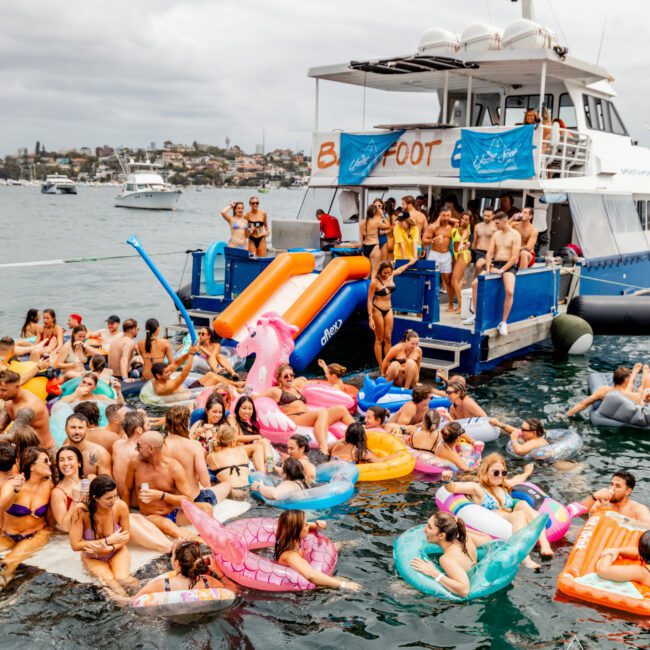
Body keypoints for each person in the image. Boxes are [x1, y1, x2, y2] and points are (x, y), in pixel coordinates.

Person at [446, 453, 553, 569]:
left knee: (523, 504)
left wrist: (527, 472)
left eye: (503, 472)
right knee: (519, 515)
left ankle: (545, 545)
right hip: (496, 519)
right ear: (485, 471)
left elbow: (518, 479)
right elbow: (454, 488)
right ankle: (525, 558)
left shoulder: (503, 485)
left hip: (510, 516)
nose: (500, 476)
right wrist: (447, 480)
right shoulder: (477, 488)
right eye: (496, 472)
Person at [120, 432, 213, 540]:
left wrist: (161, 495)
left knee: (207, 508)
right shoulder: (134, 463)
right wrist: (125, 518)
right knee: (167, 525)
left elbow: (188, 500)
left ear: (151, 449)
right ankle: (202, 543)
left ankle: (207, 539)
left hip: (174, 513)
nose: (136, 449)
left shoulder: (173, 468)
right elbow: (127, 490)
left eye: (139, 446)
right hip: (151, 516)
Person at [258, 364, 354, 455]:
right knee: (322, 412)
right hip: (295, 418)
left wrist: (322, 372)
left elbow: (302, 379)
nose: (289, 377)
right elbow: (258, 397)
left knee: (341, 409)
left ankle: (359, 431)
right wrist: (244, 391)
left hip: (307, 416)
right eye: (286, 376)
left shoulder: (295, 388)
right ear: (280, 379)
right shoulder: (276, 391)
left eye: (291, 375)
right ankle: (323, 447)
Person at [69, 475, 137, 597]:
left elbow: (126, 536)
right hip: (93, 557)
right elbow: (75, 545)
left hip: (117, 551)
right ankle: (127, 607)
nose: (113, 501)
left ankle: (145, 600)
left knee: (123, 579)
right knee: (110, 582)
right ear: (95, 498)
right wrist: (107, 540)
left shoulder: (120, 506)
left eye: (115, 496)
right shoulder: (82, 511)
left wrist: (110, 548)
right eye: (108, 498)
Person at [463, 211, 521, 337]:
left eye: (497, 223)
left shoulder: (515, 235)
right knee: (474, 284)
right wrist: (489, 267)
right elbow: (489, 253)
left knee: (509, 291)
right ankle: (477, 315)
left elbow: (515, 256)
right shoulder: (496, 234)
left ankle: (503, 322)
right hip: (496, 264)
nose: (495, 225)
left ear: (505, 221)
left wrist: (502, 270)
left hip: (509, 266)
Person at [0, 447, 52, 585]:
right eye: (46, 461)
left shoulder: (49, 485)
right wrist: (15, 491)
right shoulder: (14, 483)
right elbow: (1, 507)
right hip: (8, 535)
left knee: (9, 562)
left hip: (36, 534)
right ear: (33, 465)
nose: (50, 464)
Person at [273, 510, 361, 591]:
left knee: (341, 544)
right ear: (296, 530)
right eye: (306, 524)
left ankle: (358, 542)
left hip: (304, 566)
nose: (309, 524)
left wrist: (317, 524)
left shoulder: (287, 536)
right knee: (347, 582)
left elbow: (308, 526)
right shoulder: (291, 556)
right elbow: (311, 575)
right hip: (302, 589)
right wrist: (343, 584)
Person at [163, 406, 229, 506]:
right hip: (193, 501)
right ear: (187, 422)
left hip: (169, 500)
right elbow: (205, 482)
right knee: (227, 484)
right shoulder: (194, 446)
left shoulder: (159, 444)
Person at [410, 511, 488, 597]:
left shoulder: (446, 559)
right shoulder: (465, 538)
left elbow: (464, 590)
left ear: (441, 536)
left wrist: (433, 572)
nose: (424, 530)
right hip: (475, 577)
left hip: (460, 602)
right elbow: (487, 539)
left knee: (399, 587)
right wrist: (457, 527)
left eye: (429, 527)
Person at [134, 539, 225, 599]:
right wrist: (220, 573)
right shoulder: (207, 581)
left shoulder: (161, 585)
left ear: (177, 563)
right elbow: (233, 592)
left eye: (172, 556)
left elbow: (133, 601)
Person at [367, 260, 415, 367]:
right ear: (380, 271)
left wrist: (410, 263)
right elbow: (369, 300)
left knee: (388, 338)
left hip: (389, 309)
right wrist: (370, 317)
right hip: (377, 309)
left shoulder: (391, 275)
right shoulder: (375, 282)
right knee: (379, 339)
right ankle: (381, 365)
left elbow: (400, 270)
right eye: (385, 273)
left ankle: (387, 363)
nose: (387, 275)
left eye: (389, 272)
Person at [0, 370, 56, 451]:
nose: (0, 393)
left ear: (17, 387)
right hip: (27, 451)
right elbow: (1, 425)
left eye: (3, 390)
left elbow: (11, 437)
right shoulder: (9, 400)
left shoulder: (28, 408)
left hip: (44, 452)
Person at [566, 365, 645, 417]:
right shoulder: (632, 396)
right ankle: (643, 374)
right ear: (625, 380)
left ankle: (635, 372)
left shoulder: (604, 391)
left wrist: (566, 415)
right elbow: (643, 407)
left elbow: (583, 404)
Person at [409, 415, 480, 473]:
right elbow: (466, 469)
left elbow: (455, 432)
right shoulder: (452, 454)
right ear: (457, 438)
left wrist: (472, 441)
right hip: (445, 476)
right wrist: (478, 459)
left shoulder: (441, 437)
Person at [579, 471, 650, 525]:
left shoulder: (638, 509)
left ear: (628, 491)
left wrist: (626, 521)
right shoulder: (602, 503)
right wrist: (594, 496)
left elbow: (648, 526)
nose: (612, 489)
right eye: (612, 484)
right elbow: (580, 512)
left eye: (617, 486)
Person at [51, 446, 93, 532]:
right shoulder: (58, 493)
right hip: (70, 537)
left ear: (79, 463)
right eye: (61, 460)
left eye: (70, 459)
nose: (66, 463)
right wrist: (75, 500)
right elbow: (65, 527)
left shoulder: (90, 480)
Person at [63, 412, 112, 477]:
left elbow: (107, 485)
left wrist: (93, 481)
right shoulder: (60, 453)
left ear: (86, 430)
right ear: (66, 429)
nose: (77, 432)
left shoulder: (100, 454)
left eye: (80, 428)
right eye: (73, 427)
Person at [330, 422, 400, 464]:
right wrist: (396, 455)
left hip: (331, 465)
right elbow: (378, 461)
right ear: (361, 437)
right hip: (343, 468)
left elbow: (327, 451)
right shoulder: (358, 451)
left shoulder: (338, 445)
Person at [423, 209, 454, 303]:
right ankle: (427, 302)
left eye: (448, 215)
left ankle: (451, 304)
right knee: (429, 279)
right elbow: (423, 242)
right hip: (434, 254)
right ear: (440, 215)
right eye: (444, 215)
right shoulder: (433, 227)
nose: (446, 218)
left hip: (446, 255)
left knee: (448, 280)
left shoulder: (452, 227)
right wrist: (433, 240)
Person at [450, 212, 472, 313]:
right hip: (457, 255)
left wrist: (461, 244)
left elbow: (463, 238)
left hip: (463, 254)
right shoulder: (456, 227)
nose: (463, 221)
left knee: (454, 280)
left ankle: (461, 306)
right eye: (462, 218)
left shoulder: (466, 231)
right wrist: (458, 221)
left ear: (469, 222)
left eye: (466, 220)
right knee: (456, 280)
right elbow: (451, 219)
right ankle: (463, 280)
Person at [471, 207, 497, 276]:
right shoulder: (477, 226)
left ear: (493, 216)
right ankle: (473, 282)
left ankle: (476, 281)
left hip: (488, 252)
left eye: (488, 216)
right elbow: (474, 242)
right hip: (477, 251)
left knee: (479, 265)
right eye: (484, 215)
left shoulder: (496, 226)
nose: (486, 217)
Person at [359, 204, 382, 276]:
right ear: (375, 213)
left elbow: (361, 237)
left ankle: (365, 287)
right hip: (374, 245)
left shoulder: (362, 222)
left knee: (366, 273)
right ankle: (372, 287)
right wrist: (381, 216)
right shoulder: (376, 222)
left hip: (365, 246)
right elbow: (388, 227)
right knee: (374, 272)